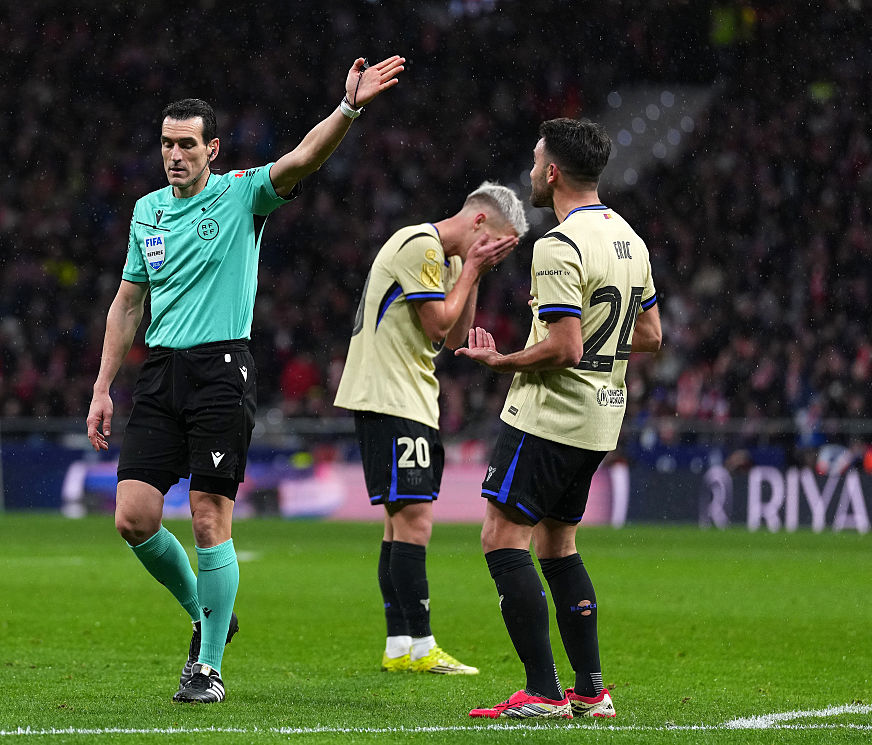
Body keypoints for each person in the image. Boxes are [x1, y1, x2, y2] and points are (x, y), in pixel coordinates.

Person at [85, 55, 406, 705]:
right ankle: (210, 614)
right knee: (133, 517)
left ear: (212, 149)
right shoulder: (147, 211)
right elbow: (127, 302)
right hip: (160, 372)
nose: (175, 155)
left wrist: (348, 108)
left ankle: (206, 667)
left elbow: (303, 159)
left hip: (220, 371)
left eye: (187, 144)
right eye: (167, 144)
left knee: (209, 517)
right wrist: (101, 386)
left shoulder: (241, 194)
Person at [457, 118, 662, 719]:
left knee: (501, 537)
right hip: (601, 417)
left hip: (550, 414)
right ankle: (591, 691)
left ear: (551, 173)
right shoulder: (630, 239)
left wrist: (503, 361)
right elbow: (651, 335)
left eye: (533, 162)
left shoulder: (559, 243)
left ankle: (543, 692)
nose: (529, 173)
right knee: (557, 543)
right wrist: (585, 326)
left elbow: (566, 348)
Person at [334, 182, 525, 675]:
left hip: (408, 396)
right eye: (495, 244)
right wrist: (474, 269)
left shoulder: (451, 262)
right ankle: (422, 645)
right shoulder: (419, 243)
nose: (494, 255)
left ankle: (400, 644)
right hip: (390, 395)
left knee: (400, 522)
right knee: (416, 520)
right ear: (479, 221)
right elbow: (438, 324)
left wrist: (473, 273)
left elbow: (455, 337)